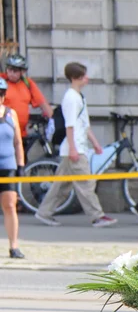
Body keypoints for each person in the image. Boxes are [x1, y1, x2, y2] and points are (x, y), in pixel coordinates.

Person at [34, 62, 116, 228]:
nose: (87, 78)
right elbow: (70, 125)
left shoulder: (77, 96)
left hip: (75, 147)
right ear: (75, 78)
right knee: (85, 183)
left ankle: (44, 212)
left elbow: (83, 125)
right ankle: (96, 216)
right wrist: (73, 148)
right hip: (75, 148)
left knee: (61, 186)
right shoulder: (71, 98)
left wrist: (94, 143)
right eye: (84, 75)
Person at [0, 78, 25, 258]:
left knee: (10, 206)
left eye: (1, 93)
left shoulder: (11, 114)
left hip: (7, 166)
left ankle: (13, 246)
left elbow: (17, 142)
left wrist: (21, 165)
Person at [4, 54, 52, 139]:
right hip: (3, 131)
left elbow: (41, 101)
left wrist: (53, 119)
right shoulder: (2, 81)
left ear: (22, 72)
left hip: (21, 133)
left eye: (15, 71)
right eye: (9, 70)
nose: (11, 73)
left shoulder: (28, 84)